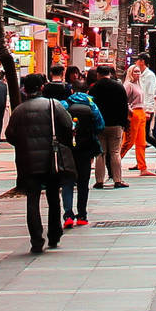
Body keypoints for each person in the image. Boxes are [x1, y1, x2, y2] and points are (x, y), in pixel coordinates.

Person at [4, 73, 70, 253]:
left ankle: (36, 239)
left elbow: (10, 135)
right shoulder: (53, 105)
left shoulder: (19, 111)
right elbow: (68, 125)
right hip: (51, 158)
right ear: (42, 87)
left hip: (28, 161)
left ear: (25, 89)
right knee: (53, 197)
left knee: (32, 199)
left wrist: (24, 144)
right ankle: (55, 233)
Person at [53, 76, 103, 227]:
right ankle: (82, 215)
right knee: (83, 182)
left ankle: (68, 215)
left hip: (68, 149)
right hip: (86, 149)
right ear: (87, 90)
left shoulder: (65, 104)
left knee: (67, 181)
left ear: (72, 90)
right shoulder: (92, 105)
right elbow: (100, 125)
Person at [88, 65, 131, 189]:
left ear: (98, 74)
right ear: (110, 73)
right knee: (115, 152)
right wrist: (123, 124)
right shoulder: (118, 86)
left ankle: (99, 181)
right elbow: (124, 106)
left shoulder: (94, 88)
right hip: (116, 124)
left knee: (100, 154)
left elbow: (91, 107)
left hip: (100, 125)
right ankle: (117, 180)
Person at [127, 61, 155, 175]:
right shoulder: (128, 85)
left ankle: (143, 167)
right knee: (128, 142)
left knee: (141, 142)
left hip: (141, 112)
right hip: (134, 114)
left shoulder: (139, 84)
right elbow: (125, 100)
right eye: (135, 72)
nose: (138, 74)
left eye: (139, 72)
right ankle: (114, 162)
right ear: (130, 73)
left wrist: (147, 109)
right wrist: (130, 111)